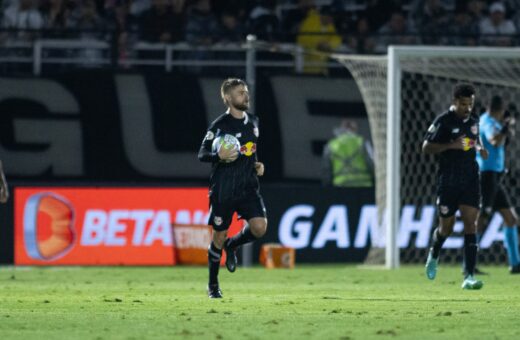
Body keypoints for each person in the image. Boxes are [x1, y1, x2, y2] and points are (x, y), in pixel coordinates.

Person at [198, 78, 268, 298]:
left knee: (259, 228)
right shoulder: (220, 125)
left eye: (246, 92)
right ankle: (212, 286)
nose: (245, 96)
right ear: (228, 98)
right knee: (218, 237)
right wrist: (217, 156)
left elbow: (251, 150)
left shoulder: (254, 122)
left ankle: (233, 245)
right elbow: (201, 154)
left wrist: (257, 164)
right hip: (224, 189)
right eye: (240, 93)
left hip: (248, 186)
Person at [422, 83, 488, 290]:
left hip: (470, 179)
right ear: (454, 102)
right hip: (449, 181)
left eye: (470, 104)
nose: (467, 108)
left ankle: (469, 275)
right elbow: (426, 147)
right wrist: (452, 145)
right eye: (463, 104)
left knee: (471, 224)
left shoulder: (475, 120)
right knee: (446, 229)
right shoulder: (443, 122)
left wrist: (480, 148)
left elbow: (473, 141)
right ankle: (434, 252)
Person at [476, 95, 520, 274]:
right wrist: (504, 129)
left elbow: (500, 140)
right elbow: (494, 140)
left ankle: (515, 264)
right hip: (486, 176)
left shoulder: (492, 122)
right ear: (499, 110)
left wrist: (506, 131)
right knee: (481, 220)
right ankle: (468, 263)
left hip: (495, 177)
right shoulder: (487, 122)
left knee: (511, 219)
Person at [321, 119, 374, 187]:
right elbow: (371, 163)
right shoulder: (362, 142)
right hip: (363, 184)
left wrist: (327, 186)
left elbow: (326, 169)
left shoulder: (331, 145)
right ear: (354, 129)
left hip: (341, 185)